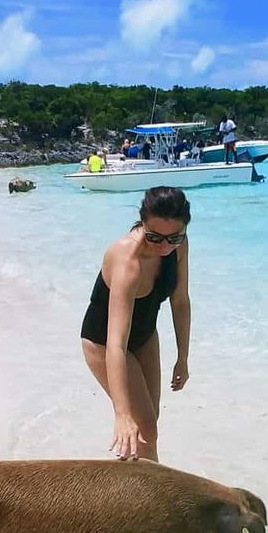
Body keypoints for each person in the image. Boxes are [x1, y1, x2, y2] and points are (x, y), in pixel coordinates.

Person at [80, 186, 191, 462]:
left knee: (148, 428)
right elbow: (116, 343)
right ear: (143, 224)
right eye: (155, 237)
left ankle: (145, 492)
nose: (165, 246)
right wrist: (121, 413)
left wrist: (183, 358)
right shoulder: (127, 259)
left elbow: (180, 302)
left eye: (173, 237)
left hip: (144, 336)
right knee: (139, 425)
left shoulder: (179, 246)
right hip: (104, 343)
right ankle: (138, 497)